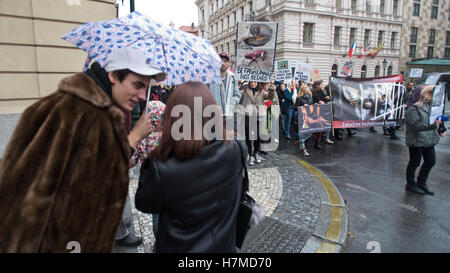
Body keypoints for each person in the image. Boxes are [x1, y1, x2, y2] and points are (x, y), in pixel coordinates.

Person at [0, 47, 166, 252]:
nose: (142, 96)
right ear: (113, 75)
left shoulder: (100, 110)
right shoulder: (77, 112)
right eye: (137, 85)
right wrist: (133, 138)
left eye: (146, 88)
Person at [135, 82, 246, 253]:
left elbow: (145, 203)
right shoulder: (237, 150)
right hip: (224, 247)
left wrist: (151, 151)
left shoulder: (161, 166)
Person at [405, 85, 446, 195]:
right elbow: (416, 126)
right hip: (417, 140)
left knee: (431, 161)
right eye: (430, 93)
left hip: (429, 139)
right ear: (423, 94)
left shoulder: (432, 107)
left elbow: (438, 119)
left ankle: (421, 182)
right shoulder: (413, 109)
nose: (432, 97)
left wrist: (441, 128)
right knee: (415, 162)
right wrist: (433, 125)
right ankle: (410, 184)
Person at [240, 80, 276, 165]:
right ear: (249, 83)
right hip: (248, 115)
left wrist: (272, 86)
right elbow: (238, 95)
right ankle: (250, 155)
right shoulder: (245, 90)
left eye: (255, 82)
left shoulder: (261, 91)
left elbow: (270, 97)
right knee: (248, 137)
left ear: (257, 83)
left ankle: (256, 153)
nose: (253, 83)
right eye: (251, 82)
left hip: (258, 115)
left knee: (258, 136)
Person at [208, 52, 241, 131]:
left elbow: (237, 95)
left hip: (230, 116)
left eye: (225, 61)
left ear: (228, 63)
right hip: (215, 117)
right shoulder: (210, 78)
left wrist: (232, 103)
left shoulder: (233, 78)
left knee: (231, 140)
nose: (222, 63)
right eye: (220, 61)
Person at [312, 80, 334, 146]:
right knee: (319, 127)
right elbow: (314, 100)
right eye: (321, 84)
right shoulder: (314, 92)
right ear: (317, 85)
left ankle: (326, 138)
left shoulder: (321, 91)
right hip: (317, 111)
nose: (323, 85)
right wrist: (318, 101)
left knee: (327, 124)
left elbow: (326, 98)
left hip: (324, 110)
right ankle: (316, 141)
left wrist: (328, 98)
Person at [294, 84, 314, 156]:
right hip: (301, 117)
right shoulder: (299, 98)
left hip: (309, 117)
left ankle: (300, 141)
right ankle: (303, 148)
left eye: (306, 87)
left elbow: (313, 106)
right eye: (303, 88)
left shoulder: (311, 97)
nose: (305, 89)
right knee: (303, 133)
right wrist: (302, 107)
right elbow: (295, 107)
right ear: (301, 89)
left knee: (310, 133)